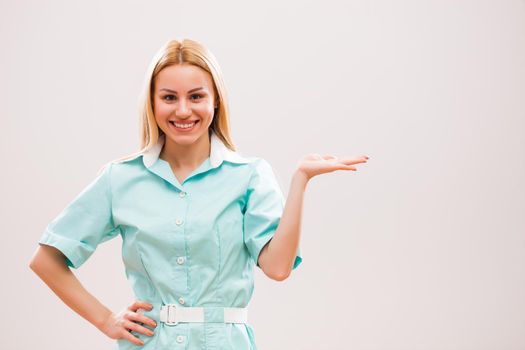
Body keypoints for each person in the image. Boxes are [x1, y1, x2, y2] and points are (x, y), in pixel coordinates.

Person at [29, 38, 369, 350]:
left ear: (215, 100)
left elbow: (278, 268)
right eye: (169, 97)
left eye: (195, 96)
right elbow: (46, 260)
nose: (182, 111)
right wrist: (106, 320)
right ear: (152, 101)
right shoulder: (120, 179)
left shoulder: (249, 176)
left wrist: (301, 181)